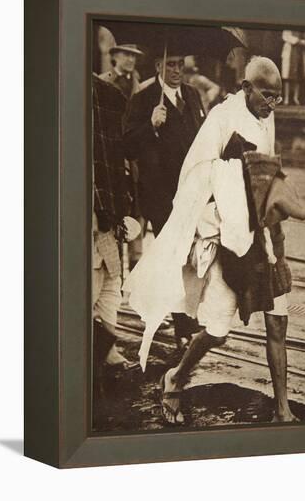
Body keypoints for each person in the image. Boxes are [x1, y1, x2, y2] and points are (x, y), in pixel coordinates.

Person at [124, 57, 305, 425]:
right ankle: (175, 377)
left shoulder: (266, 116)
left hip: (265, 233)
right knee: (217, 331)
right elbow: (195, 177)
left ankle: (282, 410)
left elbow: (267, 171)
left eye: (277, 98)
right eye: (266, 95)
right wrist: (233, 185)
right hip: (229, 234)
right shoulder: (221, 118)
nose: (271, 105)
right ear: (245, 87)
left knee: (277, 321)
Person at [124, 51, 206, 349]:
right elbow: (128, 145)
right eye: (170, 65)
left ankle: (188, 316)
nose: (176, 70)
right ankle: (182, 325)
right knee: (173, 257)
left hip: (192, 193)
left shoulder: (192, 95)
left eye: (180, 65)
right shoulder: (144, 99)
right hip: (161, 197)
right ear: (158, 66)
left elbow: (203, 137)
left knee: (195, 256)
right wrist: (152, 125)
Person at [92, 74, 138, 388]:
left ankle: (105, 351)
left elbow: (120, 156)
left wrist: (122, 210)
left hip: (106, 214)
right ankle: (87, 361)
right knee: (92, 286)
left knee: (111, 283)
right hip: (89, 219)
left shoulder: (107, 94)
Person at [100, 43, 145, 271]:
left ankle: (134, 283)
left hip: (134, 160)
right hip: (112, 158)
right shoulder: (104, 83)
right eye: (126, 54)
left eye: (134, 56)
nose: (130, 60)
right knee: (115, 216)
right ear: (114, 56)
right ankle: (114, 278)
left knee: (135, 216)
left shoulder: (138, 86)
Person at [281, 30, 305, 105]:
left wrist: (302, 42)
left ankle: (295, 97)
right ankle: (286, 97)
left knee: (298, 76)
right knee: (287, 77)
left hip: (300, 52)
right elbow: (285, 36)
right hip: (290, 51)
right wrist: (297, 40)